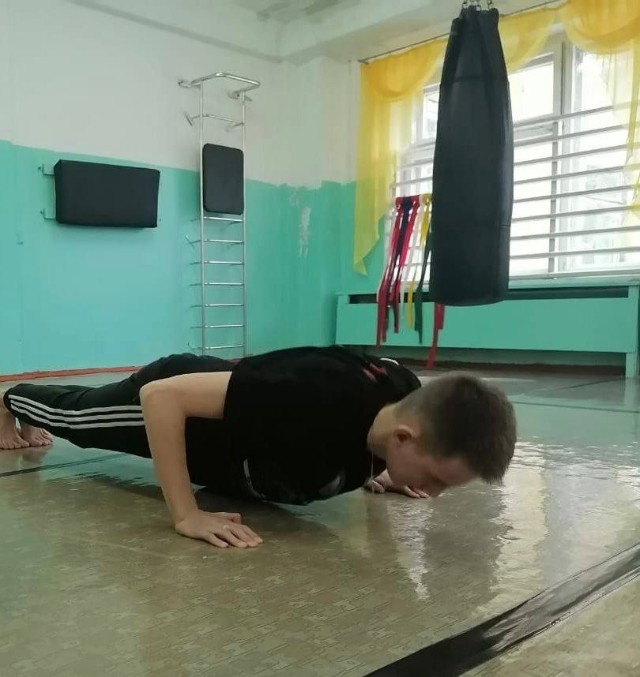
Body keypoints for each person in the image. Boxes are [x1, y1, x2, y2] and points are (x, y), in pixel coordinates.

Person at [0, 346, 516, 549]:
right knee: (78, 416)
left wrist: (387, 472)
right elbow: (161, 398)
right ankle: (9, 400)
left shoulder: (401, 404)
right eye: (437, 479)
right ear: (405, 438)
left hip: (235, 422)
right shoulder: (310, 393)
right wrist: (186, 514)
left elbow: (374, 429)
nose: (433, 494)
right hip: (178, 403)